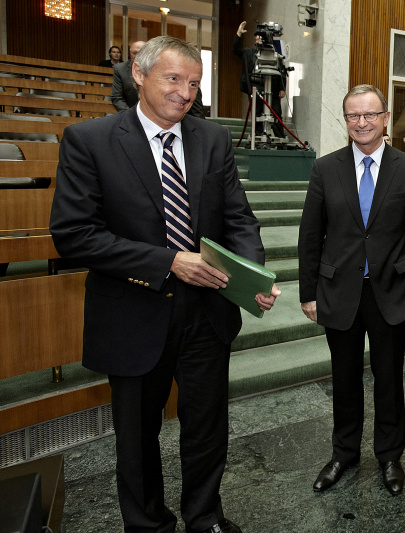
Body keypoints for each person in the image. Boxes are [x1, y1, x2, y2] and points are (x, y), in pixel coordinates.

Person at [49, 36, 280, 533]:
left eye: (194, 83)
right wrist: (169, 261)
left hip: (207, 314)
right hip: (132, 313)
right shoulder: (88, 140)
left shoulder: (212, 139)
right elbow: (74, 235)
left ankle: (204, 517)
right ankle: (149, 524)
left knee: (207, 429)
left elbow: (239, 217)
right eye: (173, 79)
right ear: (138, 73)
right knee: (136, 437)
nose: (185, 93)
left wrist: (251, 273)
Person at [298, 84, 405, 496]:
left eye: (370, 115)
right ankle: (344, 453)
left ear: (385, 118)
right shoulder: (325, 169)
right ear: (346, 121)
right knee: (344, 378)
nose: (362, 122)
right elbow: (310, 236)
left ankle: (390, 456)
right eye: (354, 116)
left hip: (389, 294)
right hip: (338, 292)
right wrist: (309, 293)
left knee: (389, 378)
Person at [233, 21, 287, 137]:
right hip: (255, 87)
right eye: (257, 38)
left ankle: (280, 137)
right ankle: (257, 137)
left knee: (276, 114)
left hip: (273, 88)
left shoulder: (275, 54)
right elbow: (236, 50)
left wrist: (283, 88)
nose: (259, 40)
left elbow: (282, 71)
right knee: (257, 113)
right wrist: (239, 33)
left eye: (261, 37)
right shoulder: (249, 53)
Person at [111, 40, 145, 111]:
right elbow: (117, 97)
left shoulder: (156, 69)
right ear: (130, 54)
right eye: (134, 53)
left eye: (141, 53)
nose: (137, 56)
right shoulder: (120, 69)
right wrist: (131, 115)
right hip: (129, 112)